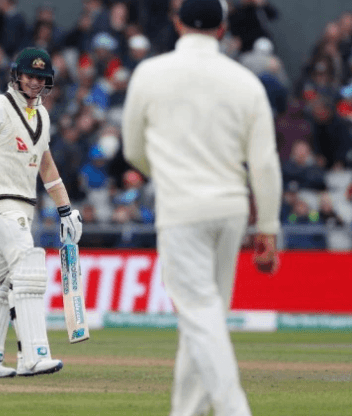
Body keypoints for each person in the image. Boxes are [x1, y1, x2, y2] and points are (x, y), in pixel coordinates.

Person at [121, 1, 281, 415]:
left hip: (181, 210)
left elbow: (133, 150)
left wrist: (169, 175)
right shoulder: (246, 81)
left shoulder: (150, 73)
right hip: (230, 210)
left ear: (177, 23)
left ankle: (234, 409)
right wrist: (267, 226)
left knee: (199, 314)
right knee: (206, 317)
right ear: (222, 28)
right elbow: (264, 163)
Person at [0, 47, 83, 378]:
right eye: (30, 75)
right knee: (28, 267)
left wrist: (65, 209)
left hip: (26, 207)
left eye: (42, 77)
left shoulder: (42, 116)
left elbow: (47, 166)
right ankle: (33, 355)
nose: (36, 82)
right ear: (16, 75)